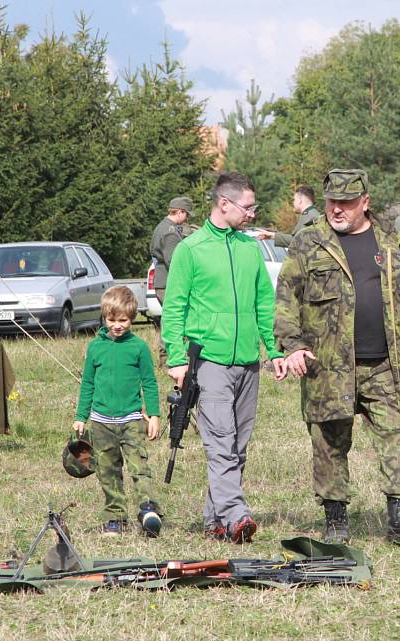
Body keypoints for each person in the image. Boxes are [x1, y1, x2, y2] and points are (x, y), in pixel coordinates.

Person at [273, 168, 400, 545]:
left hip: (385, 363)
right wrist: (293, 345)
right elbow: (285, 299)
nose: (337, 210)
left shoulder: (391, 239)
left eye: (346, 203)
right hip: (328, 365)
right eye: (332, 202)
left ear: (365, 203)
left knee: (396, 434)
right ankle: (335, 518)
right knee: (329, 440)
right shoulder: (309, 241)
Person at [161, 172, 286, 544]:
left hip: (248, 361)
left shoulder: (250, 249)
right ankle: (236, 516)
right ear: (224, 204)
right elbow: (174, 308)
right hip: (209, 362)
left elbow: (264, 304)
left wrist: (274, 351)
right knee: (220, 442)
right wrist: (176, 358)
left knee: (238, 446)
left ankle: (214, 519)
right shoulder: (191, 249)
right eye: (248, 207)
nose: (252, 214)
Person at [72, 285, 163, 537]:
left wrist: (153, 414)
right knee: (108, 471)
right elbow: (87, 384)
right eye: (112, 320)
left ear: (132, 318)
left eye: (123, 320)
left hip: (132, 420)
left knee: (139, 467)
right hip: (100, 422)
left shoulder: (139, 348)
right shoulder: (95, 347)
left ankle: (148, 510)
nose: (117, 325)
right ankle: (115, 517)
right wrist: (81, 417)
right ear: (104, 317)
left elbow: (149, 382)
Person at [150, 196, 193, 365]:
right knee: (174, 321)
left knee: (169, 319)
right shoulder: (170, 232)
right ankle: (168, 358)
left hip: (162, 281)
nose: (187, 218)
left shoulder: (161, 227)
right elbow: (174, 262)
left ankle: (165, 358)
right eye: (187, 214)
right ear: (180, 212)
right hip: (169, 283)